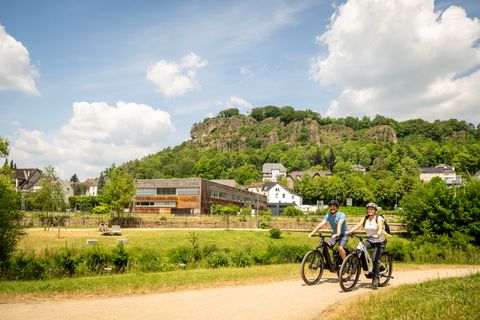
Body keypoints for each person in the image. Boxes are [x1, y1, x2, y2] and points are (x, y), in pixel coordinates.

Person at [347, 202, 387, 289]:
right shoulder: (365, 218)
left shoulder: (378, 218)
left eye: (372, 209)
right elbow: (358, 225)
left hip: (380, 241)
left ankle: (376, 279)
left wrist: (378, 234)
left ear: (375, 210)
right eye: (368, 209)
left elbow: (380, 228)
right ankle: (366, 270)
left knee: (374, 259)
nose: (370, 211)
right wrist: (350, 231)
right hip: (370, 240)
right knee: (360, 249)